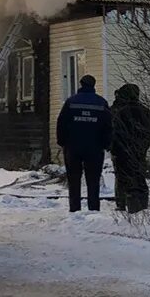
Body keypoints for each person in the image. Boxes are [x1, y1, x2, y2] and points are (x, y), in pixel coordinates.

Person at [56, 74, 112, 213]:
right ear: (93, 85)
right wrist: (106, 144)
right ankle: (93, 208)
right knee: (93, 180)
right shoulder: (101, 103)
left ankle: (75, 208)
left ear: (81, 84)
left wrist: (62, 142)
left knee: (74, 179)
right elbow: (108, 126)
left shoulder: (71, 102)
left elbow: (61, 123)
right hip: (95, 148)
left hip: (73, 147)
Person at [108, 84, 150, 213]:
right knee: (139, 175)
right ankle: (140, 203)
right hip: (139, 150)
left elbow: (114, 131)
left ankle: (123, 203)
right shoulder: (145, 111)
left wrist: (114, 147)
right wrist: (143, 146)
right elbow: (149, 131)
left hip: (122, 151)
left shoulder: (119, 111)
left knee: (122, 176)